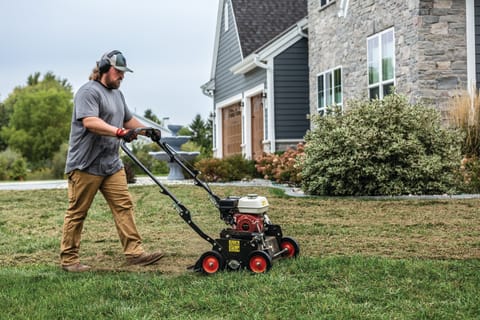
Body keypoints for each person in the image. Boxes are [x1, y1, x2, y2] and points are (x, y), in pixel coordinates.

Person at [60, 50, 163, 272]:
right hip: (86, 165)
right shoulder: (88, 92)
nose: (122, 76)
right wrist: (119, 132)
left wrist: (147, 131)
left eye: (124, 73)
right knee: (78, 212)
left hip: (111, 164)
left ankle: (134, 253)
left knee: (123, 206)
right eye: (119, 71)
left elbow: (128, 120)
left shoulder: (117, 95)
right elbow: (90, 122)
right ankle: (69, 260)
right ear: (105, 69)